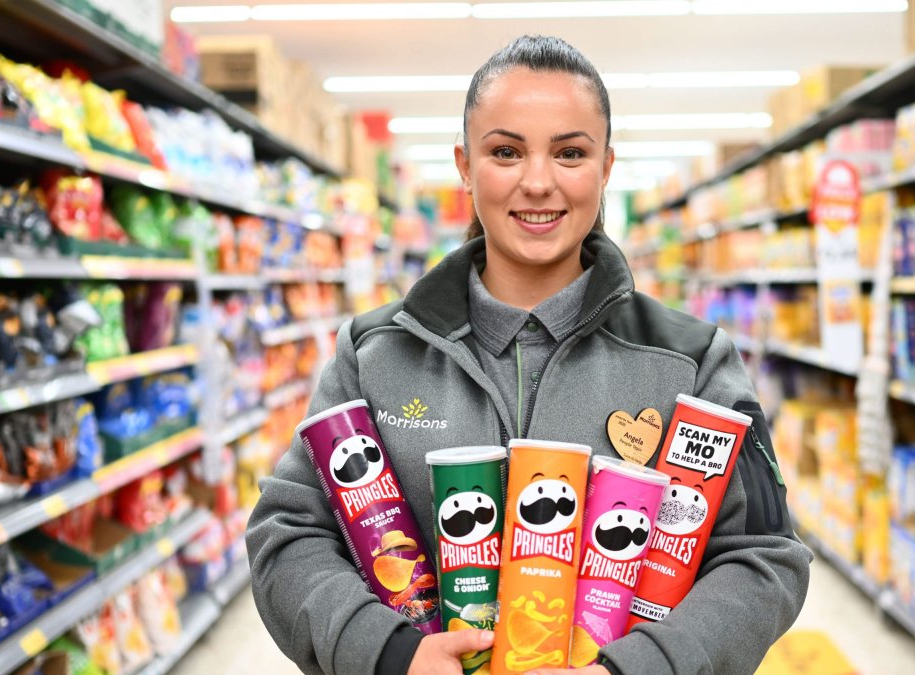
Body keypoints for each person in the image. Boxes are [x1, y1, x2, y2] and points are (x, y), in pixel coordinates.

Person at [247, 35, 812, 675]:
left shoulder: (690, 361)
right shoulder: (375, 353)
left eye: (570, 153)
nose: (538, 182)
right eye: (506, 151)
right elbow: (286, 533)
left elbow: (767, 557)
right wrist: (389, 654)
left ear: (606, 168)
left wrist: (635, 668)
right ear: (465, 165)